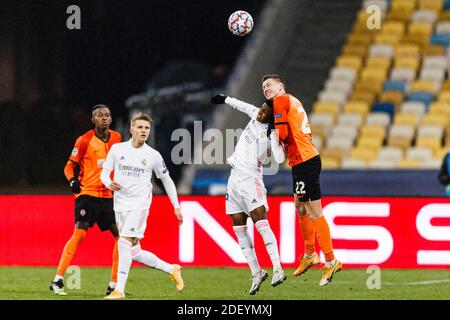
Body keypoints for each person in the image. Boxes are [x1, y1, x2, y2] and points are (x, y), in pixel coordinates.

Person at [261, 74, 342, 287]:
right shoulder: (291, 100)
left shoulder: (280, 100)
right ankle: (309, 254)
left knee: (315, 211)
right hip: (303, 161)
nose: (265, 88)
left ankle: (331, 260)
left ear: (281, 86)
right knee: (300, 207)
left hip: (305, 161)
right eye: (263, 87)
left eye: (269, 85)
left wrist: (272, 136)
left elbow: (284, 134)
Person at [101, 112, 184, 299]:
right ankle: (172, 269)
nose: (143, 131)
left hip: (140, 205)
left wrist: (176, 206)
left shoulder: (153, 155)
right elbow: (105, 172)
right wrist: (108, 183)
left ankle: (118, 290)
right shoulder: (117, 149)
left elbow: (167, 180)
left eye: (146, 128)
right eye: (139, 127)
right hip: (120, 204)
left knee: (123, 242)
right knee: (135, 251)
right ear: (131, 129)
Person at [211, 94, 287, 295]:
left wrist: (274, 136)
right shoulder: (255, 114)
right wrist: (225, 98)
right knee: (238, 225)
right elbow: (242, 104)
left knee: (260, 221)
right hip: (234, 177)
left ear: (271, 117)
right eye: (261, 108)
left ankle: (278, 268)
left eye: (265, 112)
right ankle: (256, 271)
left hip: (251, 179)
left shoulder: (272, 133)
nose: (260, 112)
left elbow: (279, 159)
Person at [49, 104, 122, 296]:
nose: (104, 118)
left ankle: (114, 285)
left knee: (121, 238)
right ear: (93, 120)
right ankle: (57, 279)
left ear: (111, 119)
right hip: (87, 194)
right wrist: (72, 180)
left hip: (107, 196)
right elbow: (68, 166)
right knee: (80, 234)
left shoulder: (117, 138)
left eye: (107, 115)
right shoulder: (84, 140)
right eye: (100, 115)